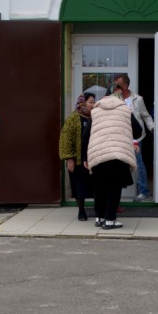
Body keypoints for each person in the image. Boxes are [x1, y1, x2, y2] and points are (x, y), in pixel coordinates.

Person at [87, 92, 139, 230]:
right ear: (119, 100)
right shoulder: (125, 110)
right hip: (118, 154)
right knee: (114, 188)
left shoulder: (95, 112)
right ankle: (110, 220)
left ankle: (100, 217)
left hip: (98, 154)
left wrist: (86, 157)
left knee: (100, 187)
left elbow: (86, 135)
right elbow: (138, 131)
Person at [113, 74, 154, 202]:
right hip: (120, 137)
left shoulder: (138, 99)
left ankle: (143, 192)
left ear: (125, 85)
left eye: (118, 85)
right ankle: (118, 194)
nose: (115, 87)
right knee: (119, 165)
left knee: (139, 165)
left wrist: (153, 128)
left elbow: (146, 116)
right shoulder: (113, 99)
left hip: (136, 138)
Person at [58, 93, 96, 221]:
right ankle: (81, 210)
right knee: (79, 187)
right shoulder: (73, 118)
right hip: (77, 161)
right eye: (90, 102)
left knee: (95, 186)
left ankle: (98, 209)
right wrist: (69, 159)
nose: (93, 104)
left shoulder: (96, 117)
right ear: (83, 102)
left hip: (93, 159)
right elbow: (66, 139)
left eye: (94, 102)